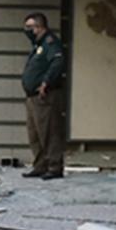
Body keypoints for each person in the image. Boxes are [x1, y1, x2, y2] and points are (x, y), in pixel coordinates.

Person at [21, 11, 67, 180]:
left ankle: (54, 167)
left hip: (45, 96)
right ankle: (40, 165)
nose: (26, 31)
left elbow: (57, 62)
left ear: (39, 27)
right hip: (32, 97)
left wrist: (46, 82)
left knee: (49, 132)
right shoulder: (37, 45)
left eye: (29, 27)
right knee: (34, 134)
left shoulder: (50, 43)